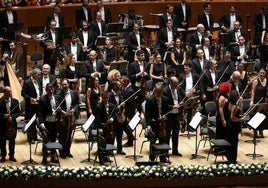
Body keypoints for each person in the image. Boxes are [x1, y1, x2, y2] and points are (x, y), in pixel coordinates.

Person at [145, 82, 170, 163]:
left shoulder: (165, 99)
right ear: (155, 91)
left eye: (161, 92)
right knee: (153, 141)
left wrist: (165, 116)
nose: (160, 93)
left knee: (163, 140)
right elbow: (147, 114)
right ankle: (152, 158)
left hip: (162, 124)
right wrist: (148, 125)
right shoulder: (150, 100)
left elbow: (167, 111)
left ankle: (163, 158)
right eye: (159, 92)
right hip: (154, 123)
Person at [38, 83, 60, 164]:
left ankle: (53, 157)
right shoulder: (43, 99)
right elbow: (39, 113)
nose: (51, 90)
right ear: (46, 90)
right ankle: (44, 158)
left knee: (53, 140)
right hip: (46, 123)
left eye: (52, 89)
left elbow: (56, 107)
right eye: (49, 89)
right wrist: (41, 123)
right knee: (46, 141)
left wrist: (59, 110)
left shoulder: (56, 97)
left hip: (54, 122)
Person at [58, 79, 79, 159]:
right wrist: (62, 111)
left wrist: (74, 109)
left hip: (71, 117)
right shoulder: (59, 94)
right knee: (62, 135)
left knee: (69, 135)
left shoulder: (73, 93)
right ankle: (62, 152)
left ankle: (67, 151)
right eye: (62, 85)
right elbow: (57, 104)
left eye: (65, 84)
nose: (64, 86)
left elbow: (77, 104)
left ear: (68, 85)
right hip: (63, 117)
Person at [163, 76, 184, 156]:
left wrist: (181, 103)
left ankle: (175, 150)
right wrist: (172, 106)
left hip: (176, 115)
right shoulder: (165, 91)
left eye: (177, 84)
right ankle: (165, 152)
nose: (176, 86)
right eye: (175, 84)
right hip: (169, 116)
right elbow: (164, 105)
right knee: (167, 135)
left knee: (175, 134)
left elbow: (180, 98)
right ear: (170, 83)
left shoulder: (178, 89)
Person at [21, 68, 42, 144]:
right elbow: (23, 93)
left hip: (38, 104)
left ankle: (35, 137)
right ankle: (30, 138)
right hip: (31, 105)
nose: (40, 76)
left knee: (37, 121)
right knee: (31, 121)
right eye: (38, 74)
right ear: (34, 74)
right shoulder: (27, 82)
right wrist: (30, 99)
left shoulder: (39, 81)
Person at [0, 86, 20, 163]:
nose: (10, 93)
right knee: (2, 141)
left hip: (12, 124)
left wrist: (12, 117)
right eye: (8, 92)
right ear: (4, 93)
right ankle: (3, 156)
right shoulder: (0, 102)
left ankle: (11, 155)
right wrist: (3, 116)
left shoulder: (15, 101)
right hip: (2, 125)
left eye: (10, 91)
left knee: (12, 141)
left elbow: (18, 112)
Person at [226, 90, 243, 164]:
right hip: (233, 125)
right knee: (234, 142)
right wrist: (240, 120)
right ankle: (233, 159)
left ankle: (230, 158)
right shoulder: (235, 106)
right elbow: (232, 118)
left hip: (230, 125)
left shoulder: (230, 104)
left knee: (231, 141)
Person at [250, 68, 268, 138]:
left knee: (262, 116)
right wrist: (251, 100)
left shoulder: (266, 81)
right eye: (261, 73)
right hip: (257, 100)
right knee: (256, 116)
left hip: (264, 101)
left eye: (263, 73)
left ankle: (261, 131)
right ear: (259, 73)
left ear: (265, 74)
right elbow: (253, 91)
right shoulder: (256, 81)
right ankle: (255, 131)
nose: (262, 74)